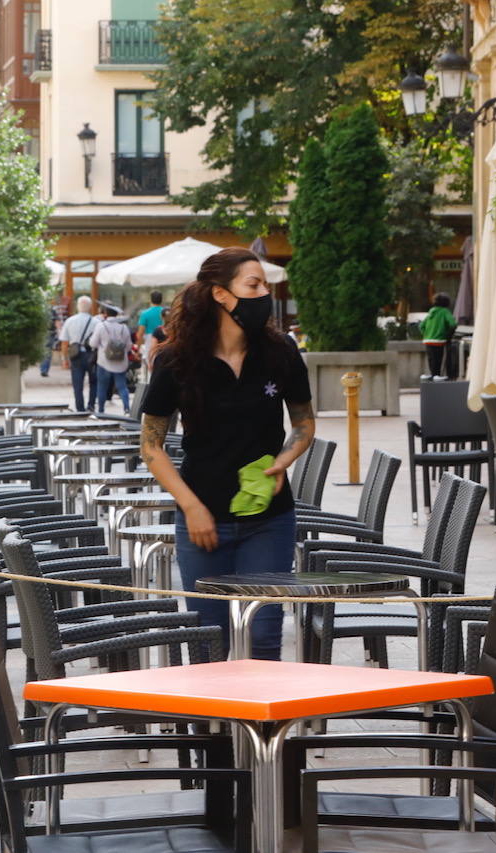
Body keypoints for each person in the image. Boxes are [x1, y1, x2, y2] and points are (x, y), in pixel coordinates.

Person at [139, 247, 314, 660]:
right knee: (208, 643)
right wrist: (190, 506)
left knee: (265, 638)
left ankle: (263, 726)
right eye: (252, 285)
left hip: (269, 520)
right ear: (220, 294)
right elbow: (150, 445)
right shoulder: (176, 360)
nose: (263, 294)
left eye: (264, 286)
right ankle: (215, 727)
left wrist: (282, 463)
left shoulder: (281, 352)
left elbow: (304, 425)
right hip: (202, 521)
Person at [89, 303, 133, 414]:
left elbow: (93, 343)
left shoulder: (101, 326)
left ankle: (101, 410)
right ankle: (127, 408)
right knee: (122, 386)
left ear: (105, 314)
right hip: (120, 362)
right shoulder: (124, 327)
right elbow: (129, 346)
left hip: (104, 361)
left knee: (102, 386)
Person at [58, 296, 101, 412]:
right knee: (94, 382)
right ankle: (91, 405)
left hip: (75, 356)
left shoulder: (70, 321)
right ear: (90, 307)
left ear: (78, 306)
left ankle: (80, 408)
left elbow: (64, 343)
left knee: (77, 384)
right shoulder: (97, 322)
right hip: (92, 355)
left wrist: (64, 360)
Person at [420, 292, 458, 380]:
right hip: (439, 340)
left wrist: (426, 334)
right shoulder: (444, 311)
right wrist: (447, 334)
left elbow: (421, 325)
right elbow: (453, 324)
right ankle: (437, 377)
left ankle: (433, 375)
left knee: (431, 360)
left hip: (427, 340)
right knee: (438, 359)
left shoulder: (430, 312)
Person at [136, 290, 166, 379]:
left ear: (151, 300)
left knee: (151, 370)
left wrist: (138, 350)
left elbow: (140, 334)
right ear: (161, 300)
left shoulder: (145, 314)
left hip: (150, 341)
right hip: (166, 340)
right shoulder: (165, 313)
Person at [39, 298, 66, 377]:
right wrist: (60, 333)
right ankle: (44, 369)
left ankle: (43, 368)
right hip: (50, 333)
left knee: (44, 350)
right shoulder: (51, 310)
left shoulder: (40, 310)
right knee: (47, 351)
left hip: (41, 333)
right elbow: (57, 322)